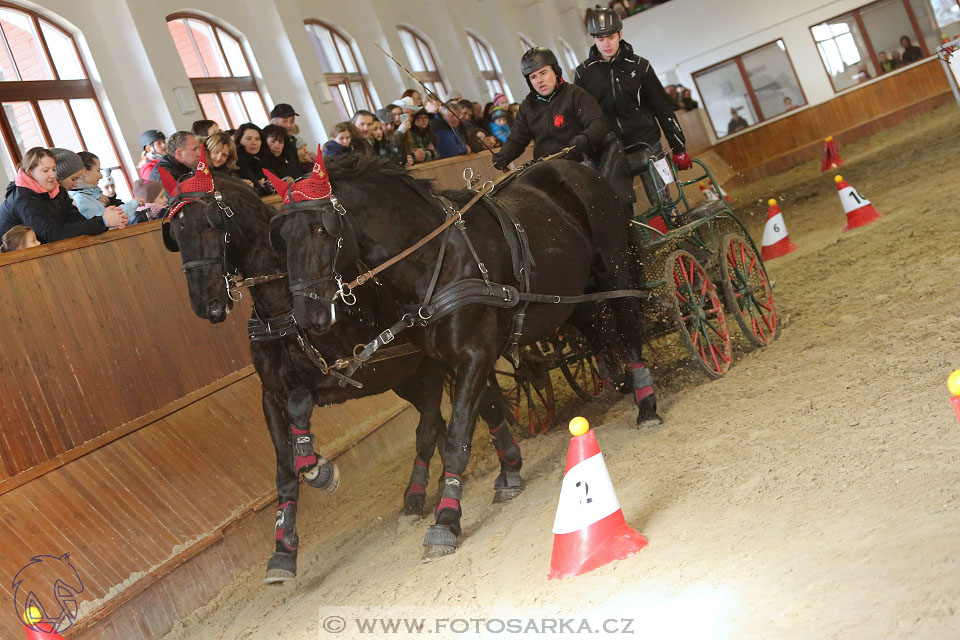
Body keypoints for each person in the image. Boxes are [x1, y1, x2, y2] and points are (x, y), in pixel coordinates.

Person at [575, 6, 692, 214]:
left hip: (647, 143)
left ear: (620, 34)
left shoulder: (640, 67)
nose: (606, 44)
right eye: (600, 39)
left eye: (610, 37)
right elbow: (582, 116)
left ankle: (676, 229)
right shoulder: (584, 73)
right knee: (620, 210)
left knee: (662, 202)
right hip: (610, 148)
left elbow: (663, 109)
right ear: (593, 40)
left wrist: (679, 147)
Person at [491, 47, 607, 170]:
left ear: (556, 72)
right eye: (533, 77)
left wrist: (586, 137)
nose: (539, 80)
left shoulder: (576, 94)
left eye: (543, 73)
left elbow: (598, 123)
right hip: (546, 168)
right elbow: (516, 140)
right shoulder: (527, 106)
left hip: (579, 163)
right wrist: (504, 155)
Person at [0, 147, 126, 242]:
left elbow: (76, 222)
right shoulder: (23, 198)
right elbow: (52, 235)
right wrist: (103, 221)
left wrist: (105, 219)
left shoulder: (58, 191)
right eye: (45, 171)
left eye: (54, 169)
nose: (52, 175)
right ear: (30, 172)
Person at [69, 151, 138, 222]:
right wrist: (134, 204)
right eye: (98, 170)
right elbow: (107, 222)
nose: (101, 176)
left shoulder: (91, 194)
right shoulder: (81, 199)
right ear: (84, 171)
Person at [234, 123, 273, 195]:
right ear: (239, 140)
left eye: (257, 139)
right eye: (249, 139)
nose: (254, 142)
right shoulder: (237, 161)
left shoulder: (259, 159)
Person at [269, 103, 303, 173]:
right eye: (285, 121)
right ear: (273, 123)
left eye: (292, 121)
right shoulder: (268, 144)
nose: (289, 125)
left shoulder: (292, 140)